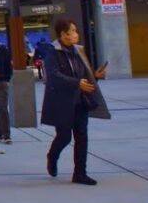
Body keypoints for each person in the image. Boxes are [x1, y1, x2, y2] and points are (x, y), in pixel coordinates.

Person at [42, 18, 110, 185]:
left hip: (80, 100)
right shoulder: (53, 51)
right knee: (64, 137)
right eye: (73, 31)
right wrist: (76, 83)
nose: (76, 34)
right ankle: (52, 156)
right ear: (63, 34)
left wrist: (95, 76)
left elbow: (84, 74)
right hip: (62, 101)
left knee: (82, 136)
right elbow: (53, 75)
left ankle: (80, 173)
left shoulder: (78, 51)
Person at [0, 29, 14, 145]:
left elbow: (8, 64)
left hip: (2, 82)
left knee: (2, 108)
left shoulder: (2, 49)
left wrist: (7, 79)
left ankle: (6, 134)